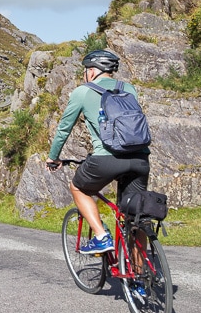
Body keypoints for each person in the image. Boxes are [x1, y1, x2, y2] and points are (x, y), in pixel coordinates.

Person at [46, 49, 150, 257]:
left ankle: (102, 236)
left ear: (92, 72)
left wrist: (53, 157)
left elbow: (64, 128)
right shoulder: (129, 89)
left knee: (78, 188)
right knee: (135, 217)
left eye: (85, 70)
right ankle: (139, 282)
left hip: (107, 158)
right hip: (140, 159)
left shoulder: (83, 91)